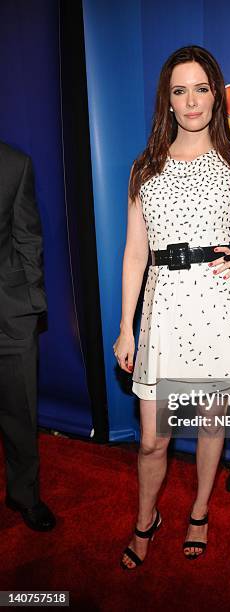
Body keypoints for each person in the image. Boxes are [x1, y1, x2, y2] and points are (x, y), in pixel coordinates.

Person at [113, 45, 230, 569]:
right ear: (168, 102)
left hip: (220, 310)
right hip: (164, 311)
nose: (192, 100)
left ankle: (199, 511)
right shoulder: (145, 168)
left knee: (210, 425)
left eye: (201, 88)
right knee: (153, 441)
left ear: (215, 98)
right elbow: (135, 254)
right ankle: (145, 518)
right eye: (180, 90)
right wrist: (126, 327)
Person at [0, 141, 56, 531]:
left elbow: (28, 238)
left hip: (9, 314)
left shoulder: (15, 164)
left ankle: (24, 495)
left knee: (21, 414)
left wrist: (29, 302)